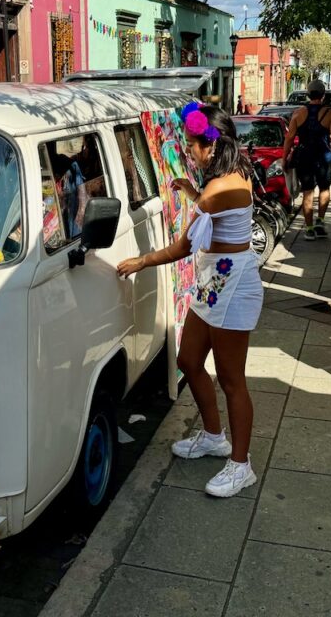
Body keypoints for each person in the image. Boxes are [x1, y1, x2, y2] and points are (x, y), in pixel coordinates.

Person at [117, 103, 263, 498]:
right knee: (189, 361)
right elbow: (216, 218)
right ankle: (214, 437)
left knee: (233, 380)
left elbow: (182, 247)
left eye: (192, 145)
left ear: (209, 146)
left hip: (232, 287)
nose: (189, 151)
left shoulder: (218, 190)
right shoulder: (229, 178)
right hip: (215, 282)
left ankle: (240, 464)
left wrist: (141, 261)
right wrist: (193, 192)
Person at [281, 79, 331, 241]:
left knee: (307, 191)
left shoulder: (298, 113)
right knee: (324, 188)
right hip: (323, 156)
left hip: (304, 156)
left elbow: (289, 139)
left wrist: (284, 158)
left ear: (308, 95)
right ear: (323, 95)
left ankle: (308, 229)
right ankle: (320, 222)